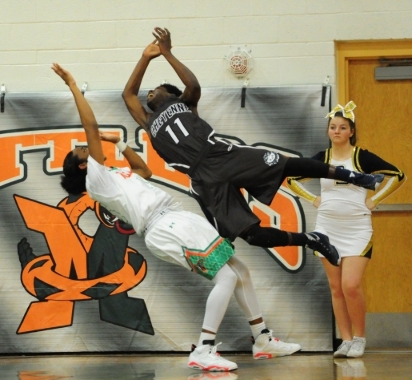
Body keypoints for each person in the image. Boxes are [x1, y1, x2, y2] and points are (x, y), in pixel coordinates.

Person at [52, 63, 302, 372]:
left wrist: (119, 143)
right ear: (81, 166)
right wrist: (74, 86)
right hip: (164, 226)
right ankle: (204, 349)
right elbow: (90, 127)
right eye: (81, 150)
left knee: (240, 270)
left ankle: (261, 338)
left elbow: (144, 171)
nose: (86, 146)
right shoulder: (96, 180)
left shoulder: (113, 175)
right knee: (226, 276)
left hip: (175, 218)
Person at [121, 27, 385, 268]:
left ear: (172, 94)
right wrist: (145, 58)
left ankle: (357, 177)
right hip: (203, 178)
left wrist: (166, 53)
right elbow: (128, 95)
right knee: (252, 235)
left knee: (286, 164)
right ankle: (312, 239)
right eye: (149, 94)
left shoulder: (185, 102)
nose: (150, 94)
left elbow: (193, 85)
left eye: (155, 90)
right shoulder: (148, 121)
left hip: (221, 155)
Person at [287, 101, 406, 358]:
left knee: (351, 285)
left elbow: (398, 175)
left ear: (351, 131)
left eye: (343, 127)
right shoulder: (323, 158)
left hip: (357, 228)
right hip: (327, 227)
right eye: (333, 127)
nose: (337, 131)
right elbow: (292, 179)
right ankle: (346, 339)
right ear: (328, 130)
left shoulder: (362, 156)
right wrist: (314, 200)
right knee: (336, 287)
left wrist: (375, 200)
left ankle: (360, 337)